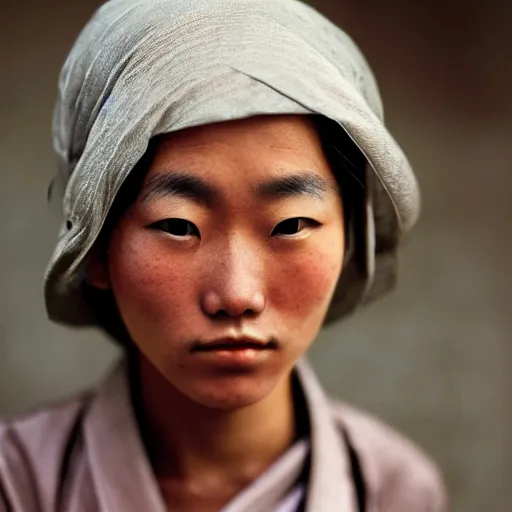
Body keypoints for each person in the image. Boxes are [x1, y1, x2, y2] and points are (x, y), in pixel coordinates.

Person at [0, 0, 448, 511]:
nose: (236, 295)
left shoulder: (393, 490)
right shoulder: (18, 485)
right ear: (96, 247)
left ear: (351, 236)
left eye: (291, 225)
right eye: (177, 225)